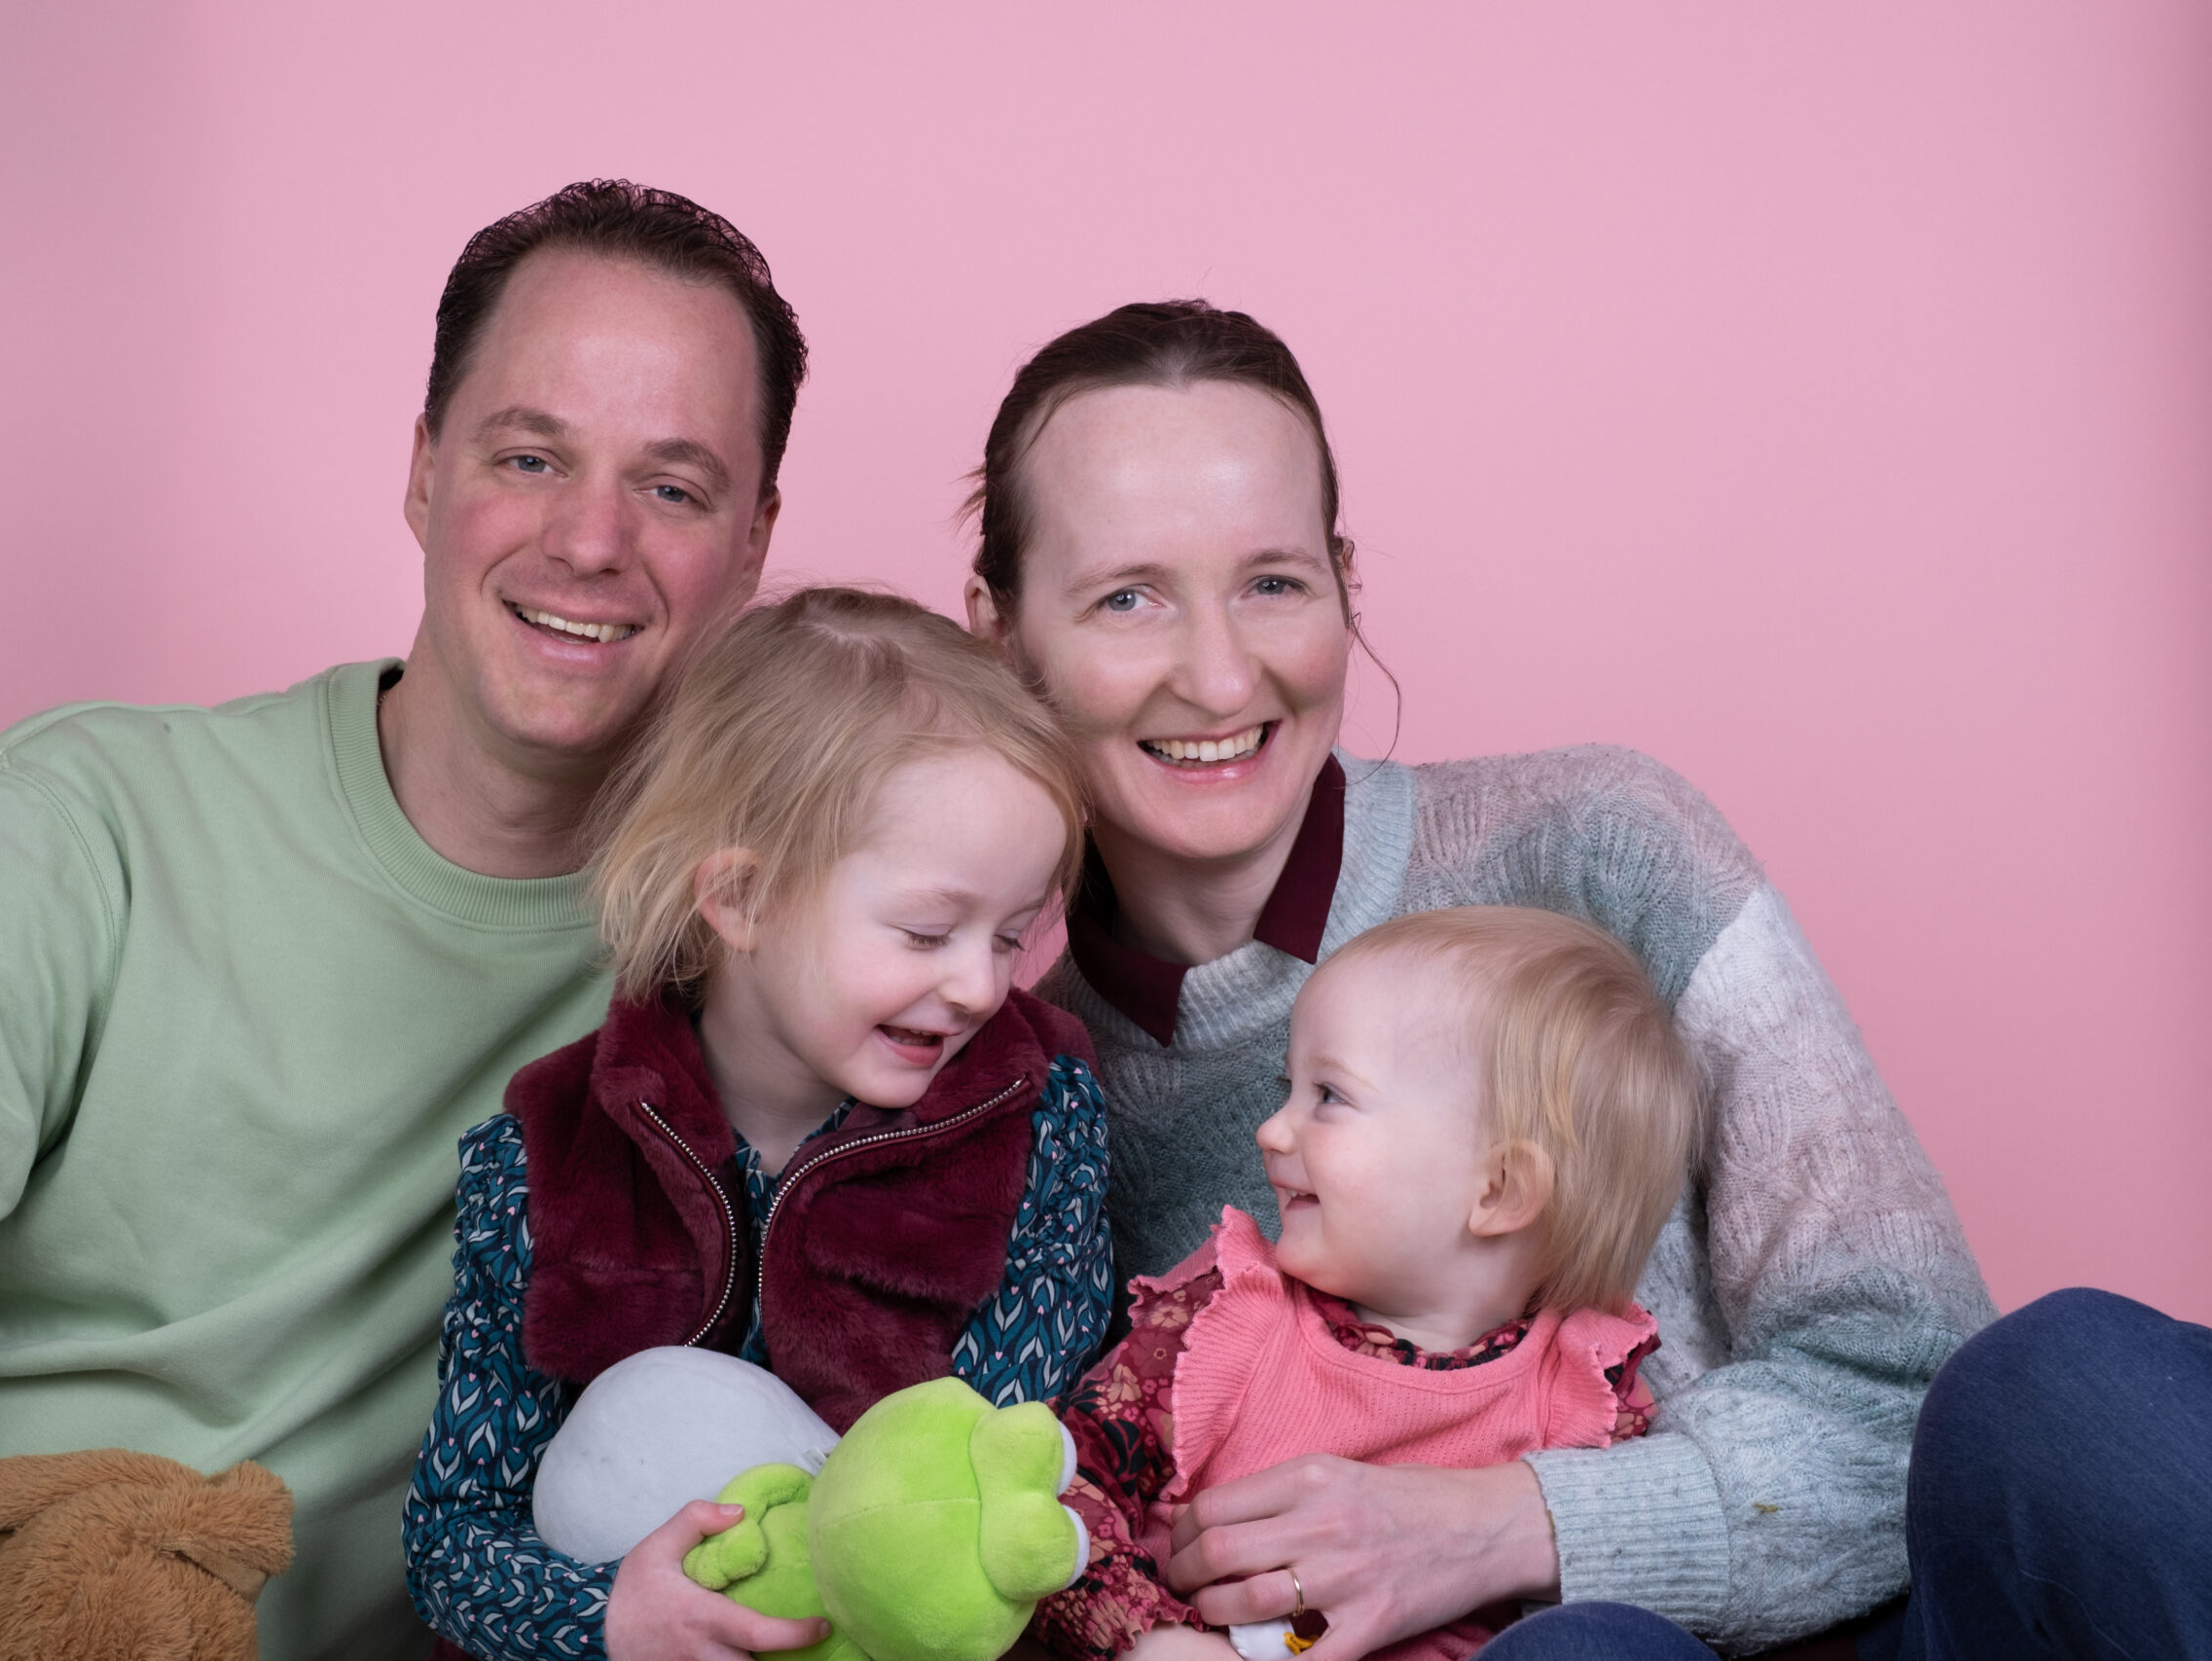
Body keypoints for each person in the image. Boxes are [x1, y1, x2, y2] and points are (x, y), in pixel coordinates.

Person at [0, 179, 803, 1660]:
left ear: (753, 542)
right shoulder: (95, 822)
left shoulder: (757, 967)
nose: (590, 538)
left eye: (673, 488)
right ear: (424, 471)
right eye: (529, 456)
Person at [961, 300, 1998, 1657]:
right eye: (1126, 597)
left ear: (1345, 585)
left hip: (1856, 1629)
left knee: (2078, 1381)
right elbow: (1042, 1527)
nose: (1217, 676)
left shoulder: (1603, 846)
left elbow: (1936, 1417)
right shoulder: (1019, 1098)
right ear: (999, 634)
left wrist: (1508, 1525)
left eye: (1273, 582)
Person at [402, 587, 1115, 1661]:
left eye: (1012, 936)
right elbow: (451, 1538)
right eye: (928, 932)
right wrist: (614, 1618)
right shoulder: (541, 1159)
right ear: (740, 899)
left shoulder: (1036, 1109)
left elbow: (1004, 1467)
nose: (980, 985)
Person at [1036, 907, 1699, 1661]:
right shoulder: (1223, 1317)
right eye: (1288, 1086)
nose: (1271, 1131)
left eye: (1329, 1095)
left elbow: (1635, 1572)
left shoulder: (1583, 1392)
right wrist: (1150, 1640)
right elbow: (1057, 1481)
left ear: (1501, 1188)